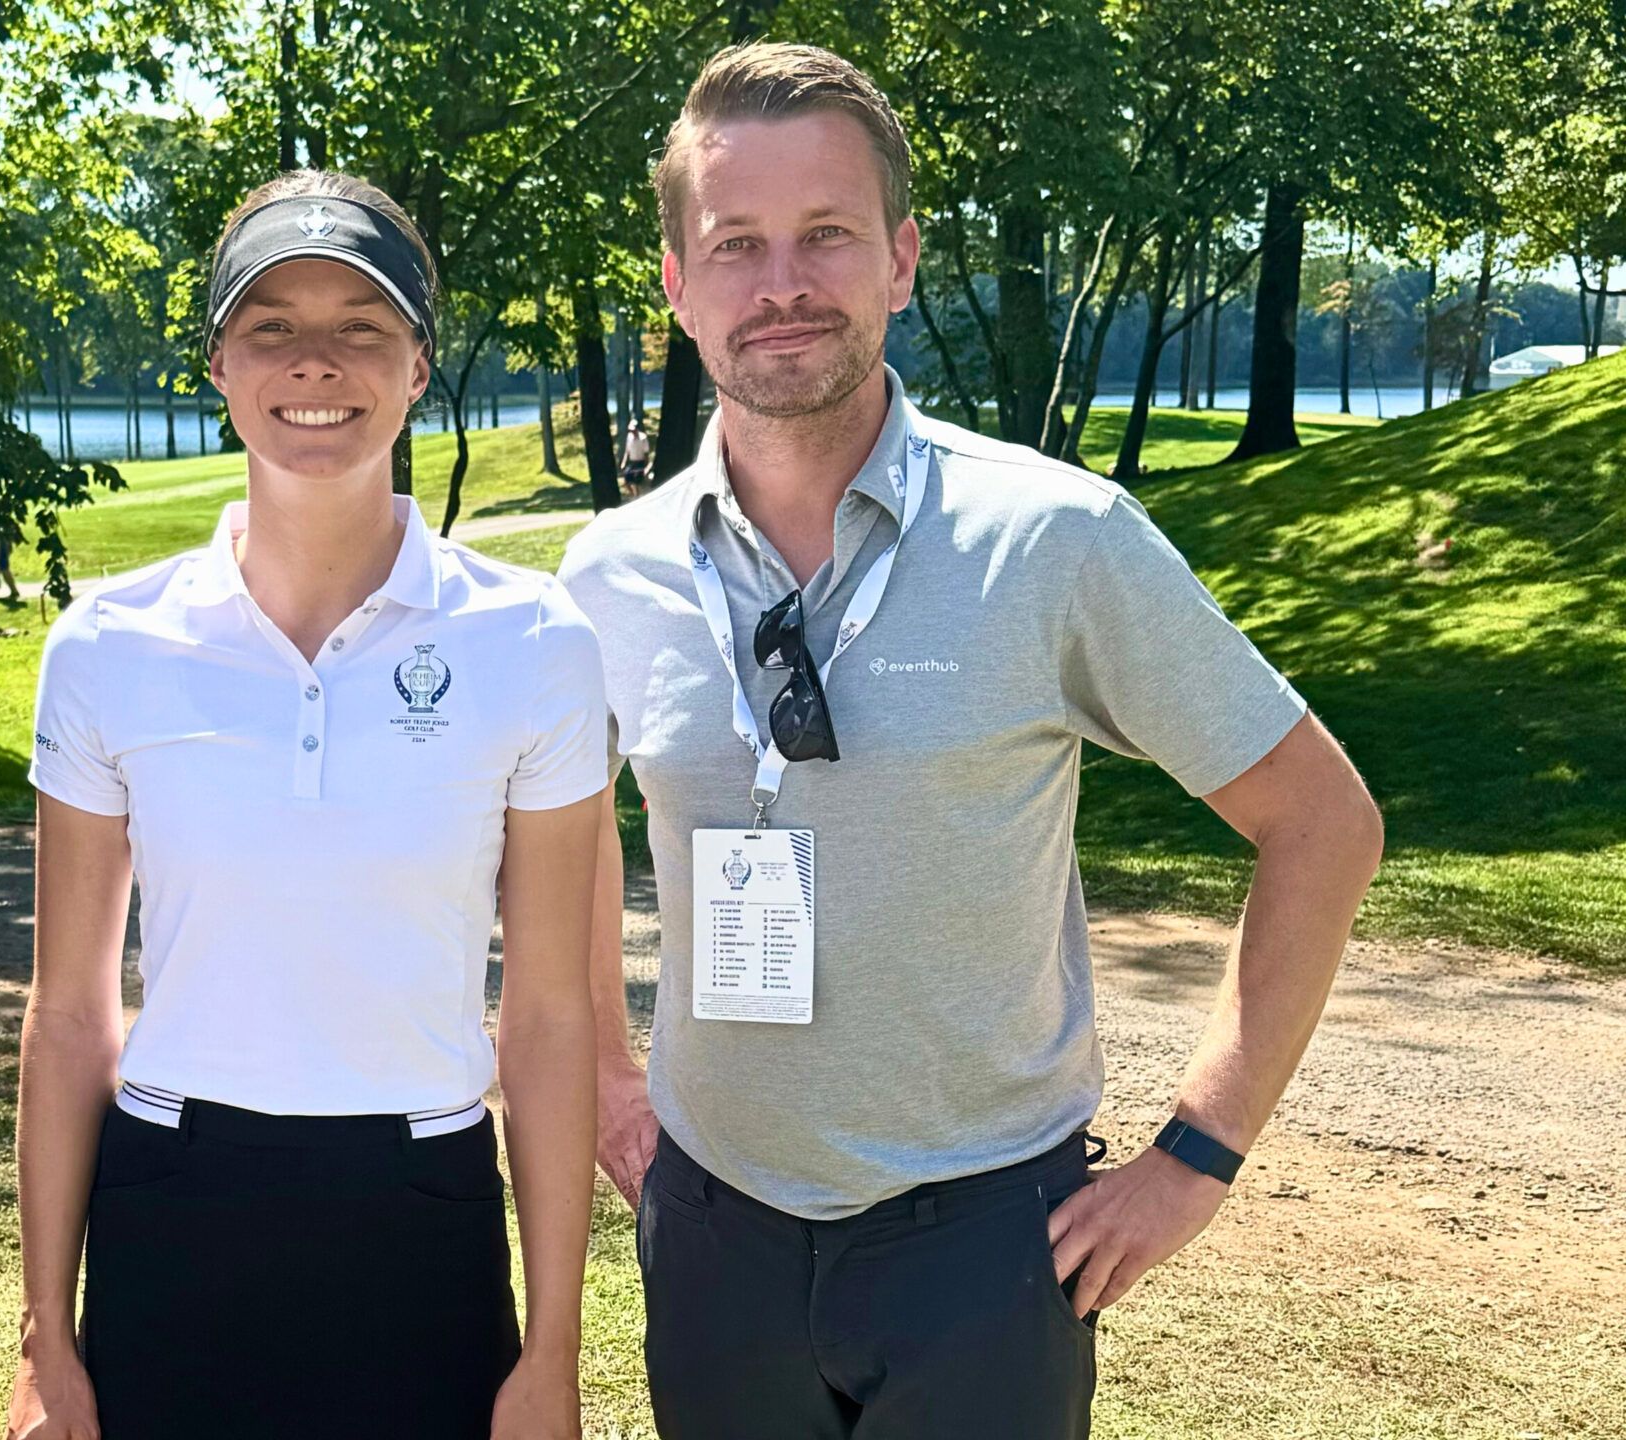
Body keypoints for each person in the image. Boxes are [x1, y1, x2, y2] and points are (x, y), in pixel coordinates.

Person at [556, 44, 1384, 1440]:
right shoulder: (607, 574)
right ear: (676, 287)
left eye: (826, 234)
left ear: (900, 255)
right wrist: (605, 1084)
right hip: (711, 1232)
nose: (783, 285)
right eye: (736, 245)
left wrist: (1198, 1152)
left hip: (987, 1246)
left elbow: (1325, 823)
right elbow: (570, 831)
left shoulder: (1056, 540)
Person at [5, 171, 608, 1440]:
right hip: (172, 1208)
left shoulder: (532, 637)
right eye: (272, 326)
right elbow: (67, 1016)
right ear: (218, 363)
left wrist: (551, 1353)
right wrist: (44, 1342)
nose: (314, 363)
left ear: (417, 365)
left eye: (361, 326)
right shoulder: (109, 642)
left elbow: (550, 1020)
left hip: (420, 1211)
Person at [620, 417, 654, 497]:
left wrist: (646, 466)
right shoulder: (629, 437)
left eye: (633, 430)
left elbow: (646, 453)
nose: (632, 432)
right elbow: (627, 451)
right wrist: (624, 462)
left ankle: (637, 497)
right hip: (632, 462)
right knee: (626, 480)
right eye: (631, 430)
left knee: (636, 482)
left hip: (640, 462)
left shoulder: (643, 438)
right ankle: (633, 495)